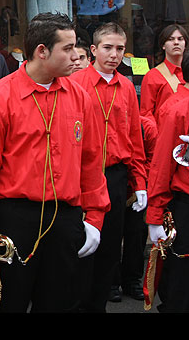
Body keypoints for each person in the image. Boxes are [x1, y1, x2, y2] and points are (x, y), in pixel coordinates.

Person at [0, 12, 110, 313]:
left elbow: (92, 161)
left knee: (59, 302)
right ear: (42, 51)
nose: (76, 57)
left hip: (65, 216)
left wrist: (95, 217)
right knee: (11, 303)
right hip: (16, 218)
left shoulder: (79, 97)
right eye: (67, 49)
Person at [70, 22, 148, 312]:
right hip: (82, 176)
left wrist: (139, 182)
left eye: (120, 49)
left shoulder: (126, 87)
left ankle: (98, 305)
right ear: (93, 50)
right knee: (81, 244)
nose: (114, 55)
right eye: (108, 48)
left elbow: (134, 139)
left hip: (115, 174)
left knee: (109, 247)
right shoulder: (76, 84)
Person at [145, 50, 189, 312]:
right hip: (185, 203)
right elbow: (163, 166)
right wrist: (155, 214)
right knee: (181, 279)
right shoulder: (178, 109)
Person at [140, 24, 189, 125]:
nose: (176, 43)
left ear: (185, 44)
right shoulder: (153, 76)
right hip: (165, 135)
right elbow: (146, 114)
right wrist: (157, 138)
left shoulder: (188, 72)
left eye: (180, 39)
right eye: (170, 39)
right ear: (163, 45)